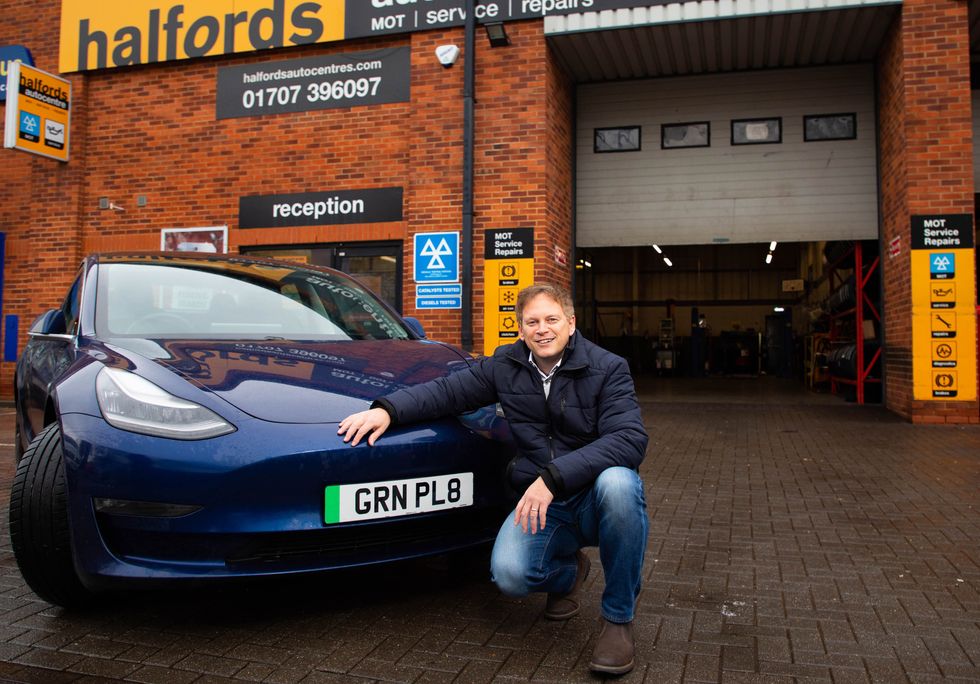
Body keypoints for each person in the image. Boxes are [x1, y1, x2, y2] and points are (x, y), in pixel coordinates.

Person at [338, 283, 649, 675]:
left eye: (552, 319)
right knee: (510, 575)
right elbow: (446, 391)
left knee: (620, 483)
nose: (542, 329)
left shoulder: (608, 368)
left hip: (592, 498)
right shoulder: (506, 365)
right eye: (532, 322)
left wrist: (552, 478)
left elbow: (629, 439)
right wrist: (387, 410)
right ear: (520, 329)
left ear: (571, 323)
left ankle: (618, 619)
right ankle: (569, 574)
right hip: (544, 507)